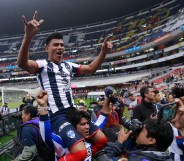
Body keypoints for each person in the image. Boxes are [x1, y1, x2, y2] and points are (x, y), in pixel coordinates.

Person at [18, 11, 113, 161]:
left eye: (62, 45)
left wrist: (103, 52)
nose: (60, 47)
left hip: (73, 111)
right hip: (57, 116)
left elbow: (91, 69)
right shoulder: (43, 65)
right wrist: (28, 36)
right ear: (46, 49)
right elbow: (22, 63)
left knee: (102, 140)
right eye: (55, 45)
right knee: (80, 153)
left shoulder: (68, 66)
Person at [36, 89, 112, 161]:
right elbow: (47, 138)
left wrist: (108, 99)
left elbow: (102, 118)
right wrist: (43, 107)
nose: (87, 127)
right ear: (73, 127)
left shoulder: (89, 141)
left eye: (88, 123)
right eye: (82, 124)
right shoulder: (62, 144)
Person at [102, 119, 173, 161]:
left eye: (142, 130)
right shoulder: (166, 157)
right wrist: (132, 136)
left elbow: (103, 158)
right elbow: (130, 150)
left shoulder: (136, 159)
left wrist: (119, 142)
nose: (138, 132)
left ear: (151, 140)